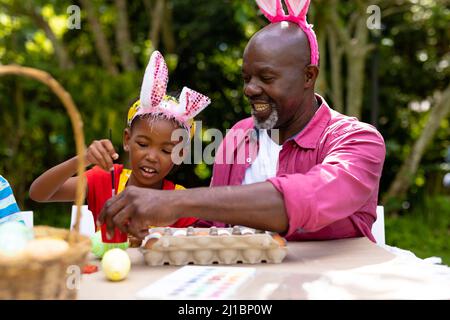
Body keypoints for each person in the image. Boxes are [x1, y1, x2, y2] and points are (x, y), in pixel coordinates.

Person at [98, 0, 386, 242]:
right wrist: (158, 234)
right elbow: (214, 229)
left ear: (308, 76)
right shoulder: (238, 135)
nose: (249, 89)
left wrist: (173, 202)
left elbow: (307, 197)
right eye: (247, 78)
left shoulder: (357, 140)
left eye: (266, 77)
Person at [29, 50, 211, 230]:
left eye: (166, 150)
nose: (152, 157)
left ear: (180, 154)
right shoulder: (106, 180)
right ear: (127, 139)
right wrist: (84, 159)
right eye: (142, 144)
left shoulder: (180, 201)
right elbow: (39, 193)